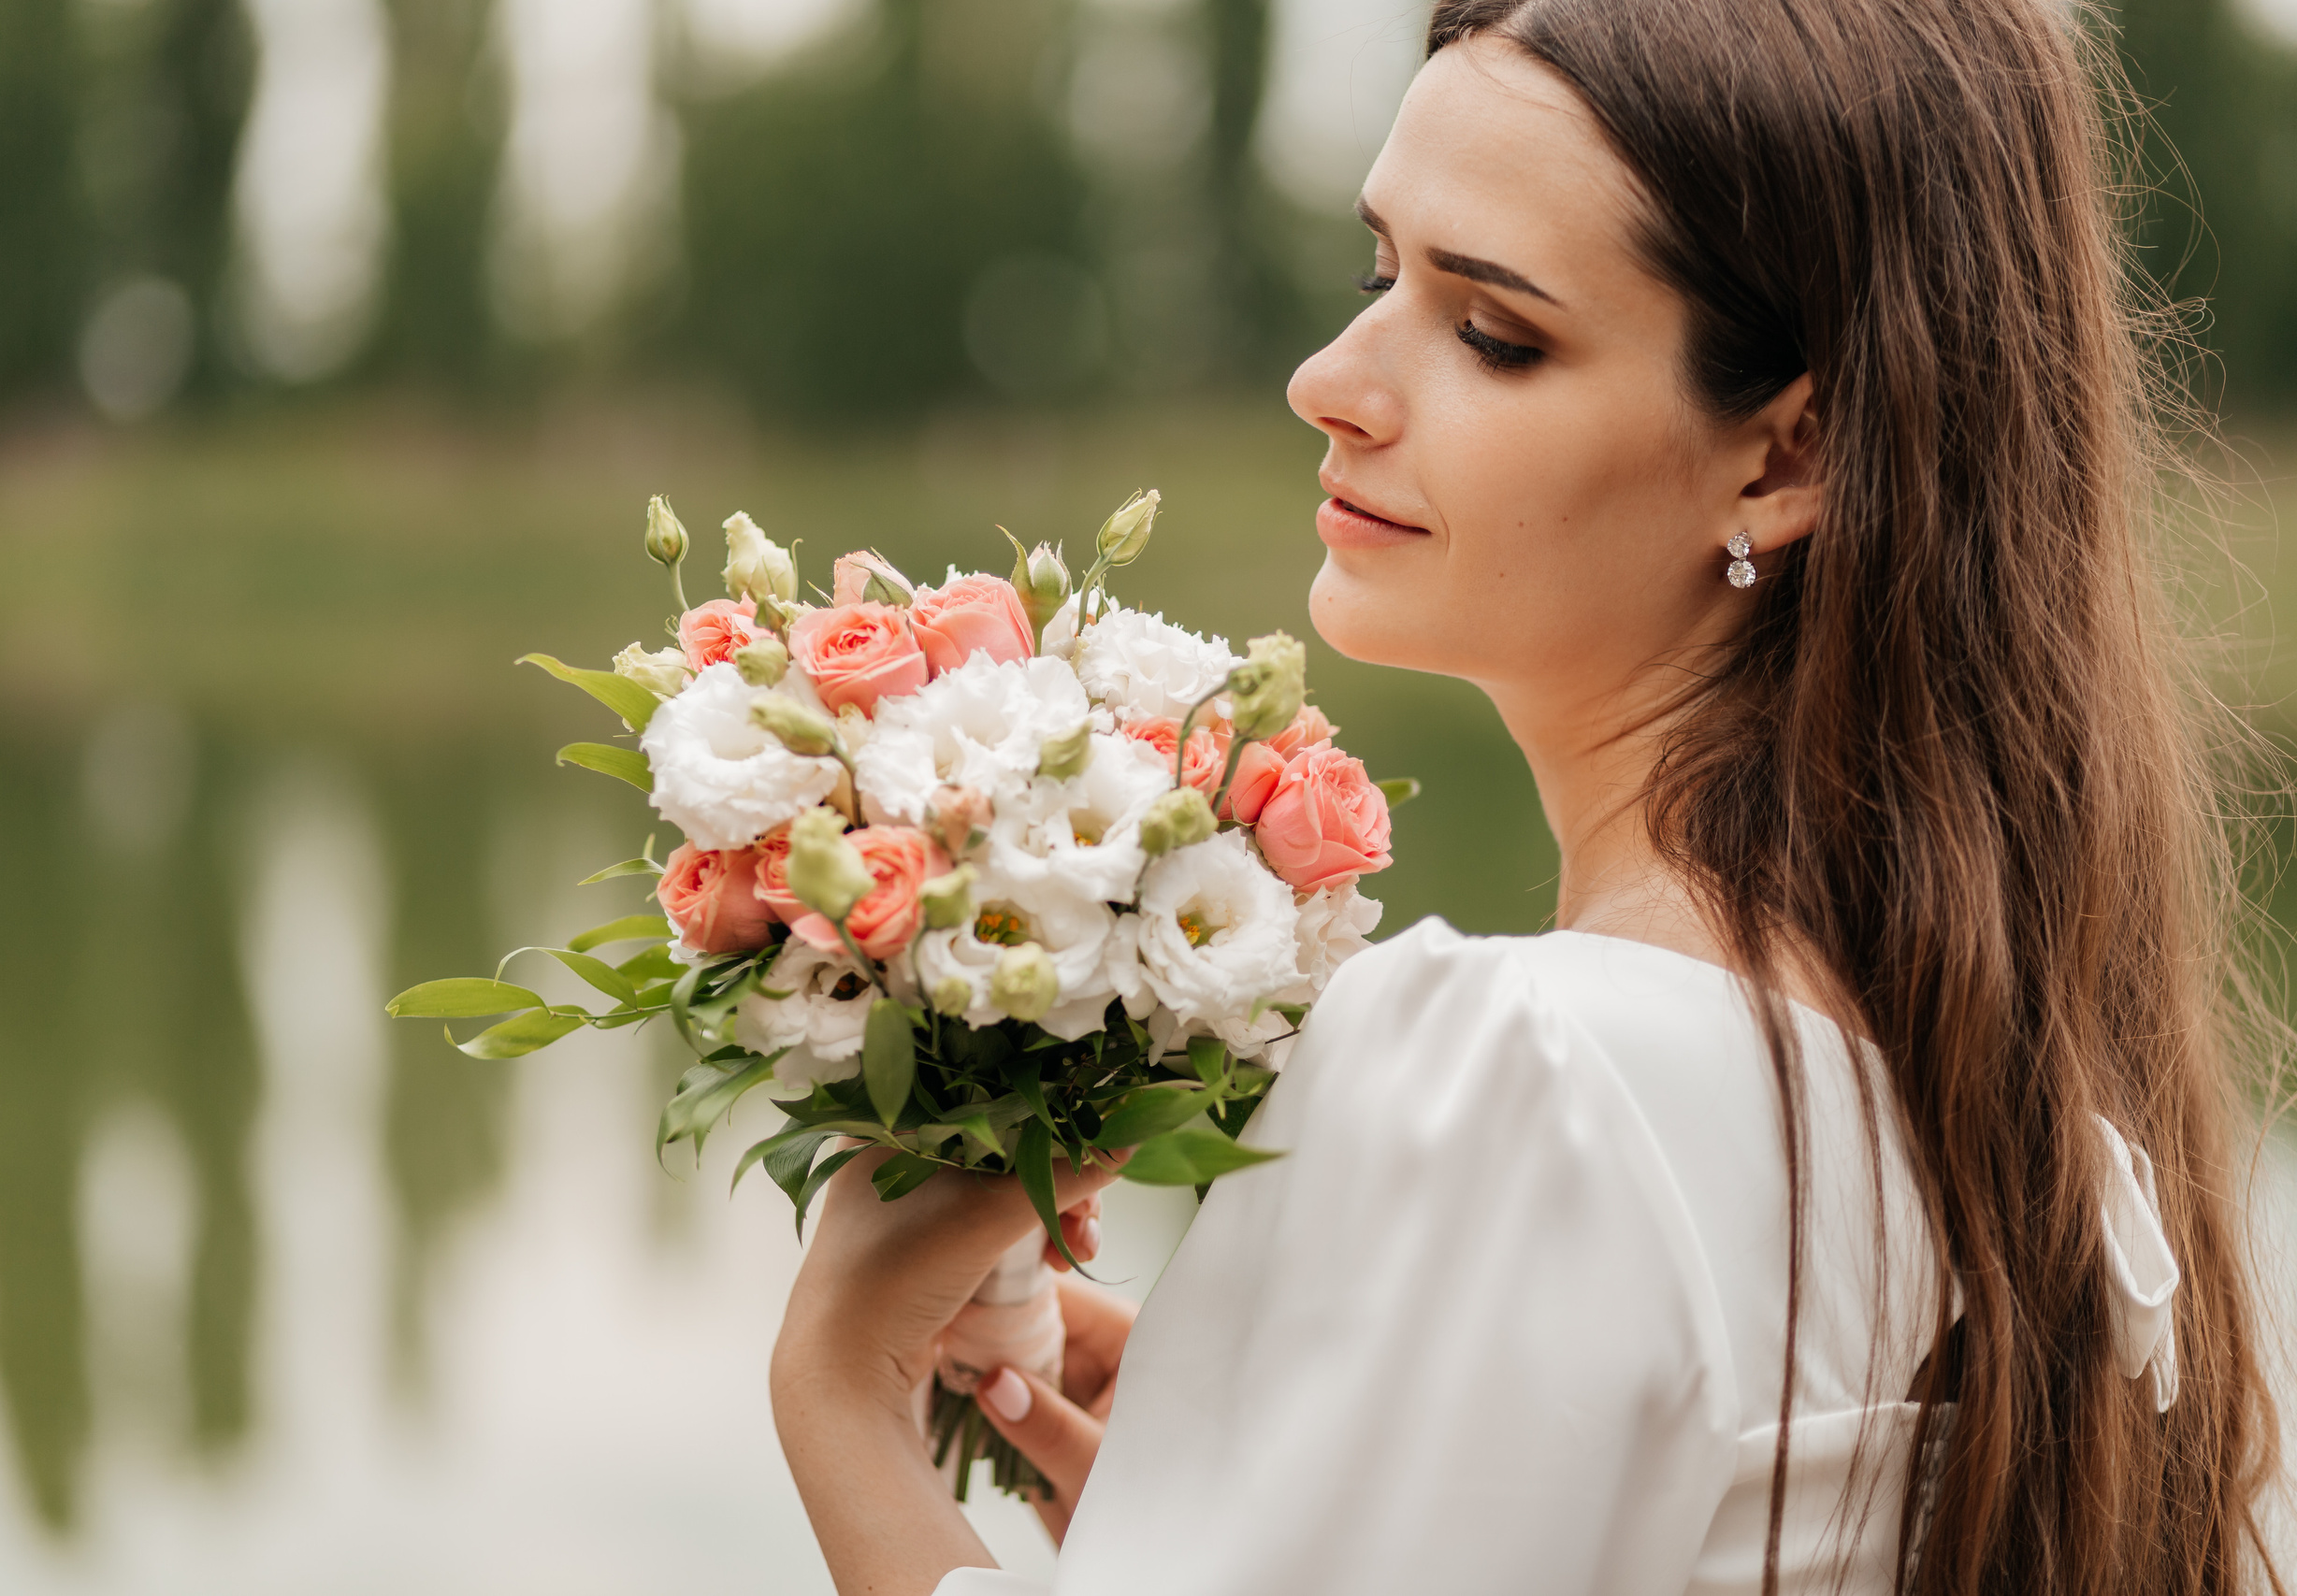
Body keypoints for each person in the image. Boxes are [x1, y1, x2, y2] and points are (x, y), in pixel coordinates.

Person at [767, 0, 2290, 1590]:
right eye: (1380, 277)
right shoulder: (1992, 1105)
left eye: (1493, 332)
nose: (1327, 381)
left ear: (1787, 454)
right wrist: (1253, 1505)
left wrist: (845, 1402)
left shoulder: (1531, 1072)